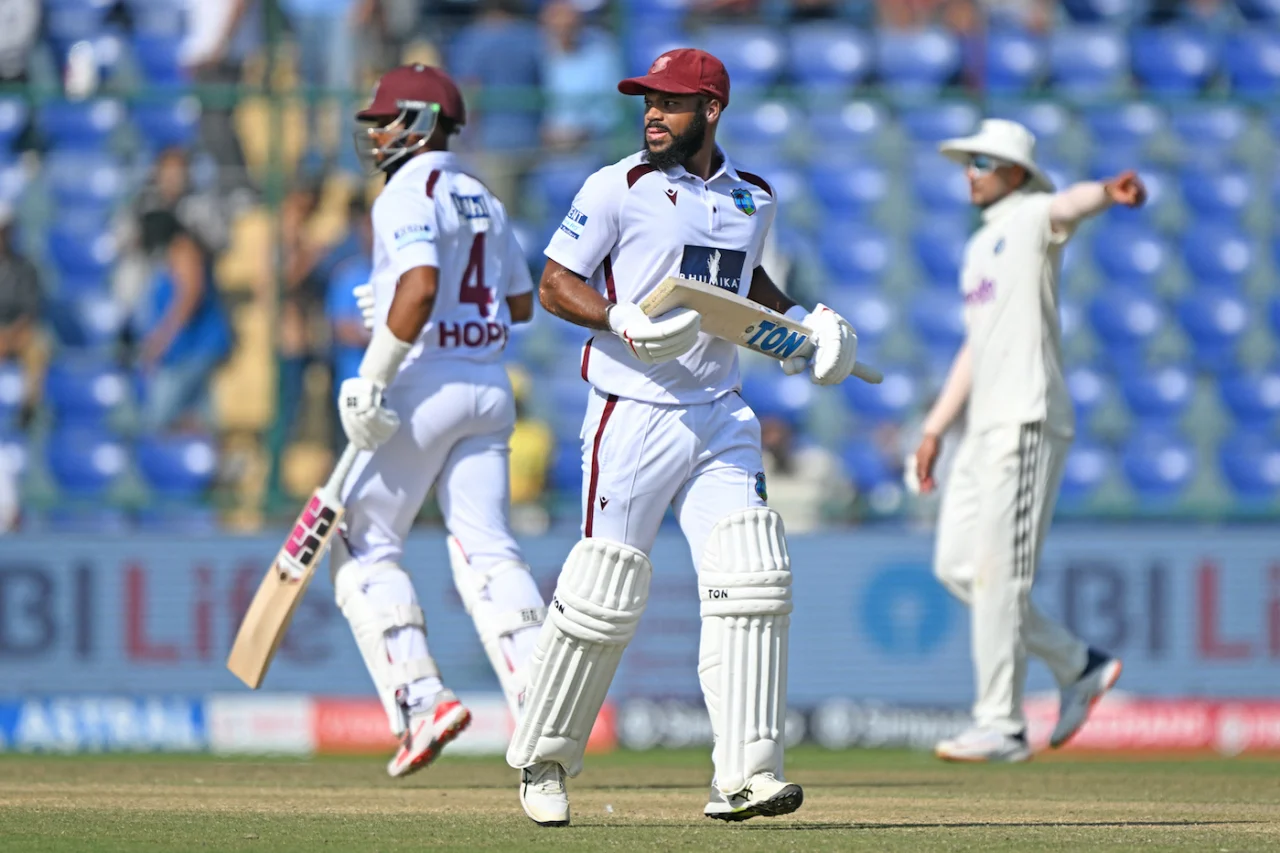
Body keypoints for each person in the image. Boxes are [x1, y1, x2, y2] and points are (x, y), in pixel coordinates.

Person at [506, 49, 861, 827]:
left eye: (670, 103)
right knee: (603, 592)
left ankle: (745, 775)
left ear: (712, 110)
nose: (653, 115)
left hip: (721, 411)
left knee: (753, 577)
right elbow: (555, 281)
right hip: (631, 410)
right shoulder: (616, 186)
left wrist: (802, 326)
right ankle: (544, 759)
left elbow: (739, 287)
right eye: (647, 102)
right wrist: (617, 315)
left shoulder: (752, 197)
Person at [336, 63, 548, 778]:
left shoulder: (406, 189)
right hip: (489, 382)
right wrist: (402, 296)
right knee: (488, 550)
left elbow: (422, 285)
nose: (376, 133)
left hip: (423, 381)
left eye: (387, 119)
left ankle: (421, 699)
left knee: (362, 544)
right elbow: (518, 304)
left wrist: (373, 371)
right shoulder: (483, 192)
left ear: (424, 122)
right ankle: (542, 699)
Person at [911, 119, 1145, 763]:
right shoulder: (978, 245)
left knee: (999, 576)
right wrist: (935, 426)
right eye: (970, 161)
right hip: (981, 425)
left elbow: (1070, 204)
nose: (972, 171)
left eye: (984, 162)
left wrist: (1104, 190)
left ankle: (1002, 723)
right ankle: (1077, 664)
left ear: (1015, 172)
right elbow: (974, 345)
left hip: (1027, 415)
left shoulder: (1036, 213)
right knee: (958, 566)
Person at [133, 210, 232, 433]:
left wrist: (160, 341)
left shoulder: (184, 249)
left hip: (193, 349)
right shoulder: (174, 251)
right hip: (187, 350)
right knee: (201, 416)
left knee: (156, 419)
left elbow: (190, 296)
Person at [539, 1, 622, 150]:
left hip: (591, 143)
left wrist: (584, 131)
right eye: (556, 24)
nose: (563, 28)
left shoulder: (602, 54)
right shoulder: (536, 56)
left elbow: (611, 103)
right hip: (543, 146)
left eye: (570, 24)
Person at [759, 413, 854, 532]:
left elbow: (847, 501)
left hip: (814, 537)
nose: (774, 440)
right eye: (767, 433)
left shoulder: (820, 462)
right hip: (768, 538)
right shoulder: (751, 467)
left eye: (779, 432)